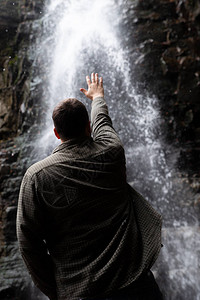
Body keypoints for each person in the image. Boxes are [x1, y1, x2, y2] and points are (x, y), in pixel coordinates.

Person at [17, 73, 163, 300]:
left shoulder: (36, 177)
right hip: (135, 285)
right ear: (88, 127)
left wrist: (58, 290)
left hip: (79, 291)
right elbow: (102, 122)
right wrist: (97, 98)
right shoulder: (111, 151)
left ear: (56, 133)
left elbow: (28, 245)